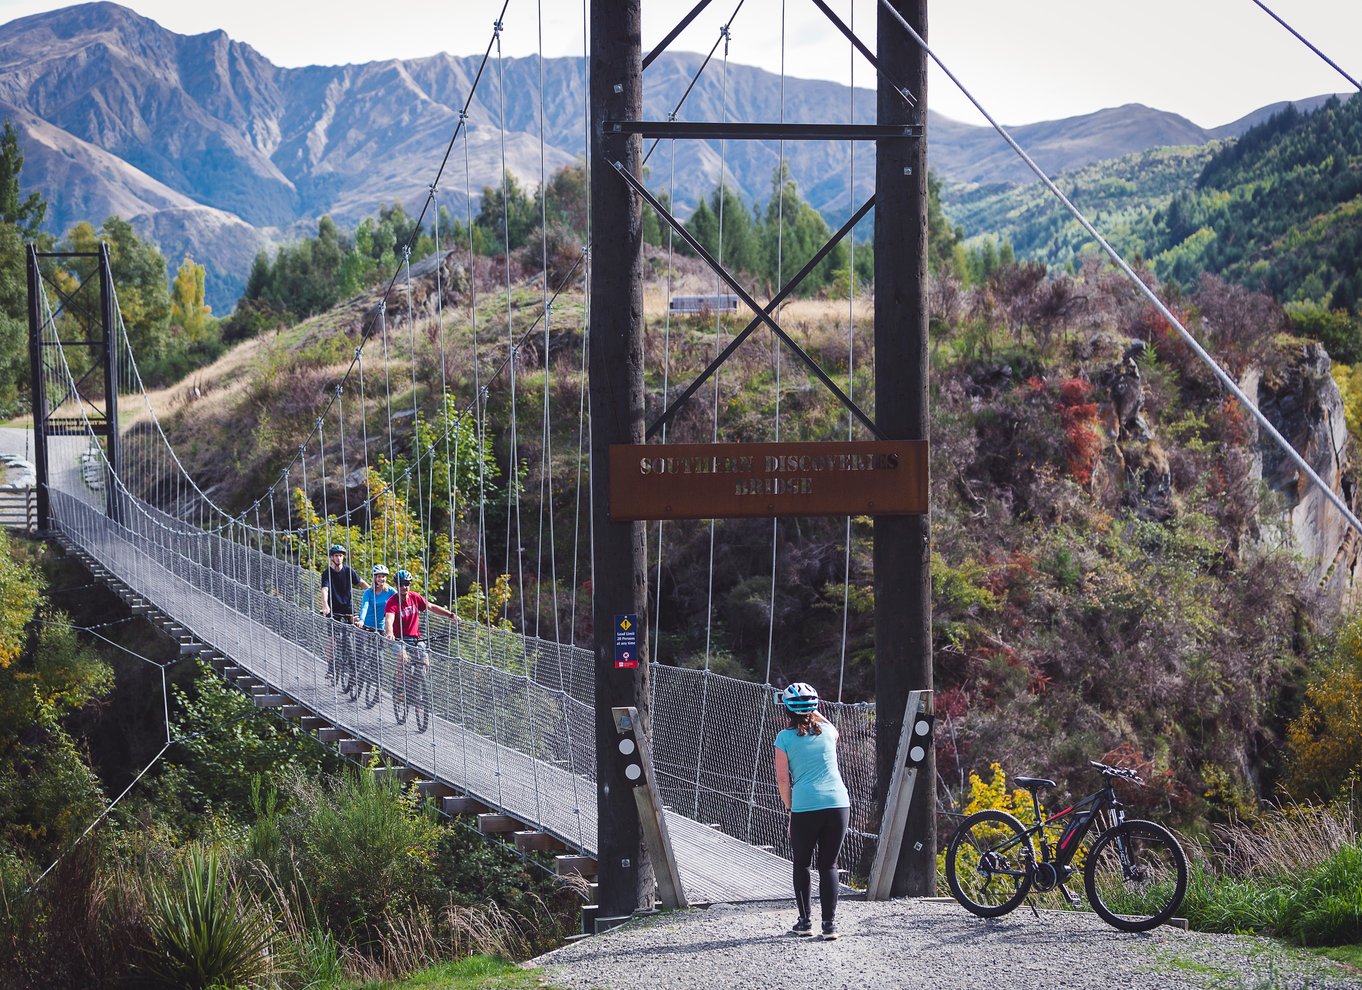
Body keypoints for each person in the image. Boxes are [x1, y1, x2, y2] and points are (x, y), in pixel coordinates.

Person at [773, 681, 850, 941]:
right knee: (829, 864)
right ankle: (829, 925)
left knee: (802, 864)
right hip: (839, 804)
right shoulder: (829, 732)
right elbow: (826, 723)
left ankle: (805, 922)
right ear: (815, 707)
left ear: (786, 710)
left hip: (806, 806)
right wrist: (813, 710)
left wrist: (791, 809)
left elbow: (783, 780)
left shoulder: (783, 739)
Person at [383, 569, 456, 694]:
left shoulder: (415, 597)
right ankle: (399, 687)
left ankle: (418, 688)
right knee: (403, 658)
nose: (404, 587)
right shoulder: (392, 602)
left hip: (415, 638)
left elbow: (431, 607)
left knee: (425, 661)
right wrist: (389, 632)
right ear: (396, 585)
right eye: (401, 584)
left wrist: (450, 615)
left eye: (406, 584)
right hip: (397, 639)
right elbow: (389, 619)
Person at [319, 544, 367, 683]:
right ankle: (330, 667)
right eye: (336, 555)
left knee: (359, 627)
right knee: (332, 639)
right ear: (331, 557)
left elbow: (362, 583)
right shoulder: (326, 573)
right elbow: (324, 590)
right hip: (333, 609)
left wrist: (374, 595)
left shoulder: (348, 571)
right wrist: (325, 606)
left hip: (348, 608)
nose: (339, 558)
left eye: (341, 555)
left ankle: (359, 655)